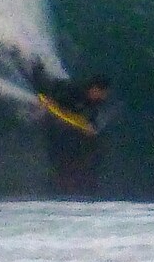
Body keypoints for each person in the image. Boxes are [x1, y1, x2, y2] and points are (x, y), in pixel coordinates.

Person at [30, 65, 111, 195]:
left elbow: (91, 115)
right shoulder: (76, 91)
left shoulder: (94, 101)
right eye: (103, 93)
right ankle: (34, 66)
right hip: (49, 88)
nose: (104, 96)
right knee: (36, 78)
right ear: (94, 89)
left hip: (64, 102)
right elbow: (54, 96)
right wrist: (45, 102)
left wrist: (91, 126)